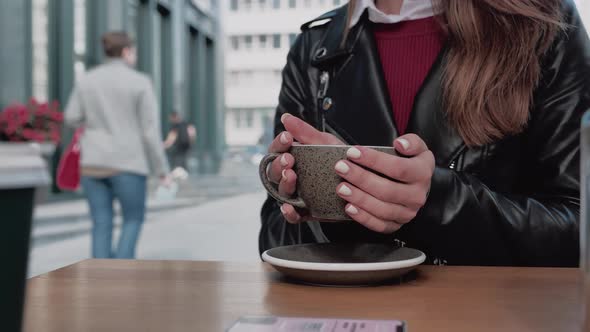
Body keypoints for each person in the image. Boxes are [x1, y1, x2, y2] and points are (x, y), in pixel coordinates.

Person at [260, 0, 590, 267]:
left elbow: (579, 230)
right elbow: (273, 240)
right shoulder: (314, 48)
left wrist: (439, 201)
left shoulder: (545, 22)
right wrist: (331, 203)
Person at [65, 31, 170, 259]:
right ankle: (121, 274)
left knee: (101, 223)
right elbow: (150, 131)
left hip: (92, 163)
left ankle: (100, 280)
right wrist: (162, 170)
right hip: (128, 163)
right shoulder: (140, 82)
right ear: (126, 51)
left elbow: (71, 116)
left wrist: (92, 126)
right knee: (132, 220)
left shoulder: (87, 80)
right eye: (133, 51)